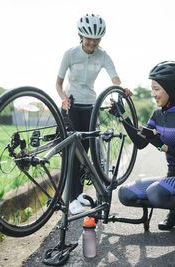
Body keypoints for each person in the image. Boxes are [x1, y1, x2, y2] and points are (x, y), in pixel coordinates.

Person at [109, 61, 175, 238]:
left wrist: (162, 145)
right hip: (172, 177)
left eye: (156, 89)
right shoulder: (157, 114)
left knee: (155, 193)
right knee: (125, 194)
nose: (153, 94)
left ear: (170, 88)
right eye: (152, 89)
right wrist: (122, 116)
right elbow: (141, 143)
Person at [56, 13, 131, 214]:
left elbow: (115, 79)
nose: (92, 43)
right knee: (72, 153)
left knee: (85, 155)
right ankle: (70, 199)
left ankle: (79, 195)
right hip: (71, 105)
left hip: (91, 106)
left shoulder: (103, 56)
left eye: (97, 39)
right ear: (80, 35)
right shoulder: (70, 54)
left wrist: (122, 89)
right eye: (89, 39)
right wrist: (64, 99)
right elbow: (58, 83)